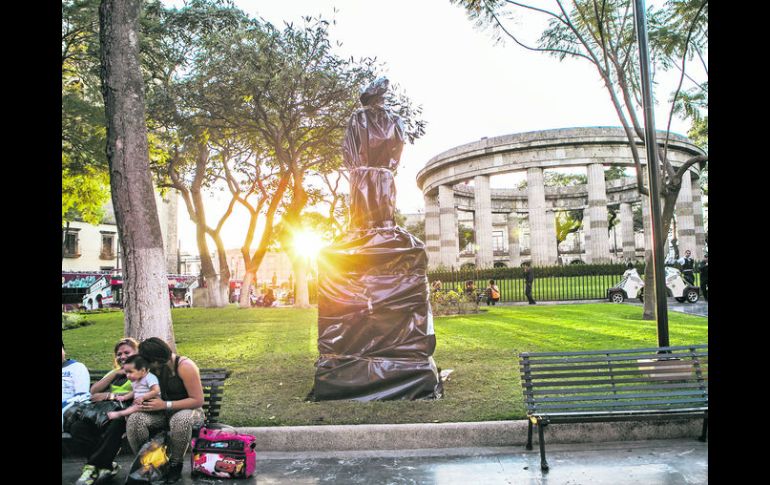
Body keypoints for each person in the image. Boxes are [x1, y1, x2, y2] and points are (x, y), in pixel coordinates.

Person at [126, 337, 205, 484]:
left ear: (156, 360)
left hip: (190, 410)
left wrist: (165, 405)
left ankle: (175, 464)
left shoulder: (185, 366)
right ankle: (151, 463)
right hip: (161, 413)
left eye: (149, 362)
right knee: (135, 420)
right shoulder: (149, 369)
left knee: (181, 420)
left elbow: (198, 400)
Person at [71, 337, 139, 485]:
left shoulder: (141, 371)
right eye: (119, 354)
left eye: (127, 352)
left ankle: (91, 468)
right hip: (104, 413)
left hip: (127, 413)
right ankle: (106, 466)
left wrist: (110, 395)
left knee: (115, 424)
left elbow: (139, 393)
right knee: (77, 428)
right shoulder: (115, 373)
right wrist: (115, 373)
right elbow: (93, 391)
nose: (122, 356)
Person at [106, 355, 161, 421]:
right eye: (126, 372)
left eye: (130, 372)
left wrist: (143, 397)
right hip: (140, 403)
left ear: (143, 371)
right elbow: (134, 392)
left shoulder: (150, 378)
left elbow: (156, 390)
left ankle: (119, 414)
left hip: (152, 403)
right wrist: (125, 397)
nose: (127, 375)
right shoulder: (135, 380)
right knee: (129, 414)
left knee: (134, 408)